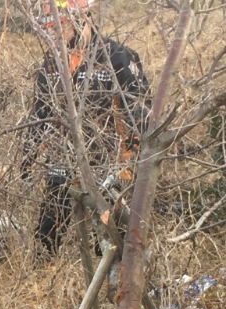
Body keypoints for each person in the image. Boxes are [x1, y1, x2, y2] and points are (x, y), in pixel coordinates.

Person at [21, 0, 150, 258]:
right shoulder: (51, 64)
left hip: (106, 163)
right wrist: (28, 154)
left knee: (107, 239)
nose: (54, 31)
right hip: (63, 159)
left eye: (60, 23)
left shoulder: (116, 56)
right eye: (50, 25)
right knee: (46, 233)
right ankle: (44, 279)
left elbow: (140, 107)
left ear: (80, 17)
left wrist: (132, 148)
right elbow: (39, 113)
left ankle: (108, 283)